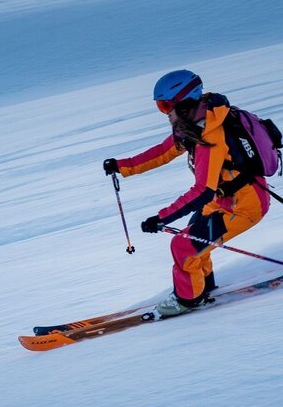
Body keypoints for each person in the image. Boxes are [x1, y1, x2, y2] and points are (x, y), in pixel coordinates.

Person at [103, 70, 272, 317]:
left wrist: (161, 218)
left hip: (245, 206)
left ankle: (188, 300)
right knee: (192, 236)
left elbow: (203, 190)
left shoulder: (210, 135)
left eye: (165, 106)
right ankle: (202, 286)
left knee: (182, 245)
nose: (165, 113)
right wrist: (122, 165)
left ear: (182, 102)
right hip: (224, 200)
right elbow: (163, 152)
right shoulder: (197, 125)